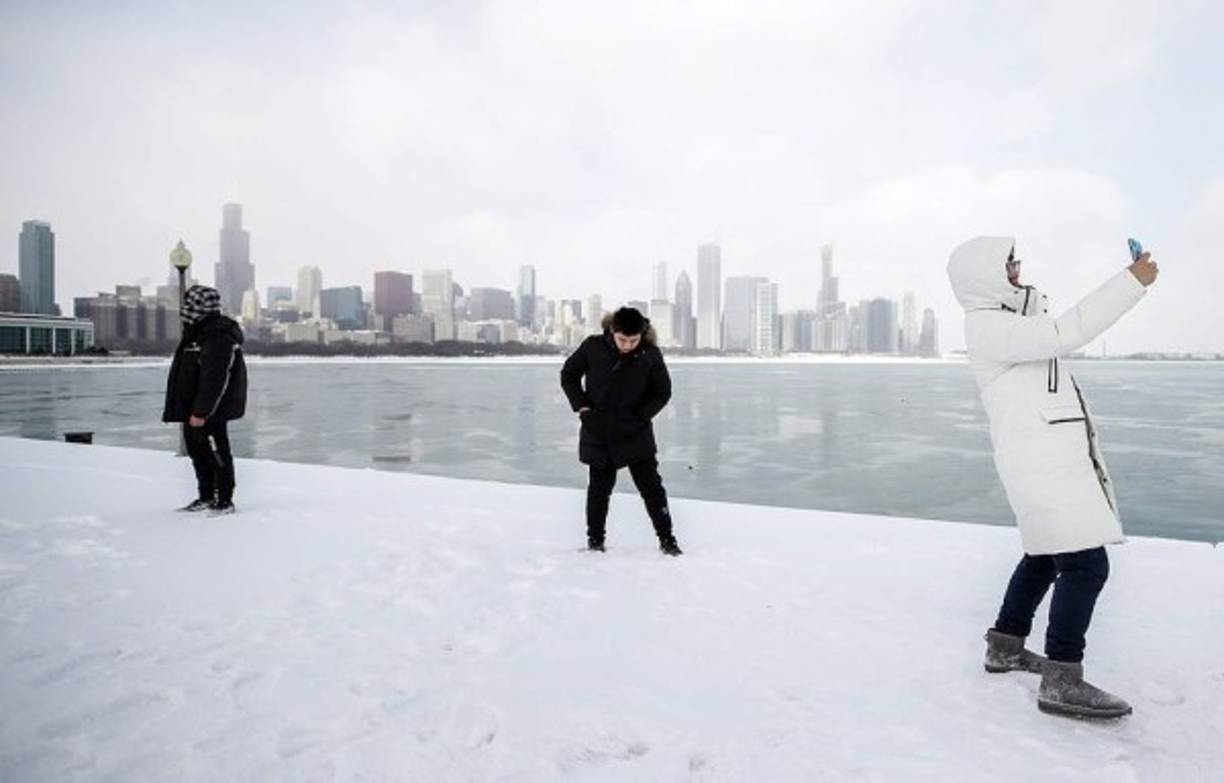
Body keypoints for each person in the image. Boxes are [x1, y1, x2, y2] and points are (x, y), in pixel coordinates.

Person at [947, 236, 1158, 719]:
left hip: (1043, 456)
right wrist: (1130, 282)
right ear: (987, 277)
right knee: (1086, 565)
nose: (1019, 269)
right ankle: (1063, 678)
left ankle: (1005, 645)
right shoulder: (990, 327)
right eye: (1009, 265)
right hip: (1039, 461)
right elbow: (1066, 332)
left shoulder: (1014, 322)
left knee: (1044, 555)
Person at [560, 306, 682, 556]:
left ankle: (668, 541)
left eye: (633, 340)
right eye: (622, 340)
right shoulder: (593, 346)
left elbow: (663, 392)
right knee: (598, 490)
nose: (627, 345)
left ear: (642, 335)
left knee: (652, 489)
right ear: (612, 331)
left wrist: (640, 416)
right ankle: (595, 542)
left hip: (635, 431)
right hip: (598, 429)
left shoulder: (650, 354)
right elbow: (569, 374)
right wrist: (582, 407)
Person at [162, 284, 248, 515]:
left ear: (201, 307)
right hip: (193, 407)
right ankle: (207, 496)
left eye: (190, 304)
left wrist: (201, 412)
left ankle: (224, 501)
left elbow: (215, 378)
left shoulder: (217, 334)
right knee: (197, 451)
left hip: (211, 410)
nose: (185, 308)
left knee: (217, 453)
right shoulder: (196, 331)